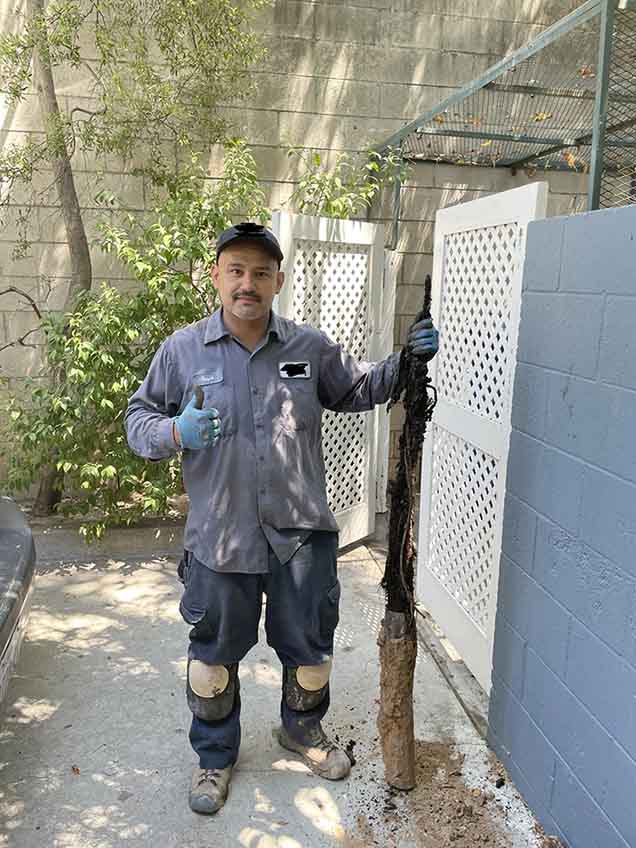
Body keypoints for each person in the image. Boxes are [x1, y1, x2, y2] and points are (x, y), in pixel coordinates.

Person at [125, 222, 439, 815]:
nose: (248, 283)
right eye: (236, 270)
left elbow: (356, 389)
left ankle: (300, 730)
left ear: (278, 281)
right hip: (221, 540)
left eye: (260, 273)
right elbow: (137, 422)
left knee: (312, 650)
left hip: (300, 538)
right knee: (213, 659)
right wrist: (174, 431)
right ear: (217, 277)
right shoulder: (182, 350)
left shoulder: (308, 347)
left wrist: (405, 361)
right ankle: (215, 758)